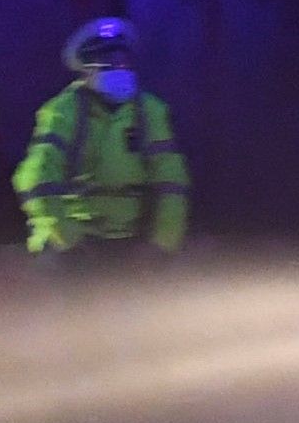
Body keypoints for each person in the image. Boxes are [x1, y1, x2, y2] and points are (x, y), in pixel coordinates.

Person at [14, 18, 190, 265]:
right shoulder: (62, 112)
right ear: (87, 69)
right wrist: (69, 240)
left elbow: (172, 180)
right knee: (62, 281)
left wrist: (162, 243)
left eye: (123, 60)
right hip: (73, 237)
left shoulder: (151, 110)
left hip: (134, 238)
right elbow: (36, 180)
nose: (119, 67)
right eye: (108, 61)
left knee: (165, 294)